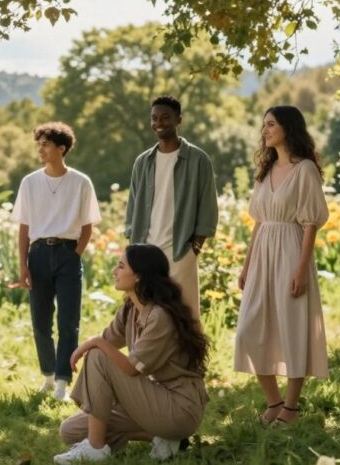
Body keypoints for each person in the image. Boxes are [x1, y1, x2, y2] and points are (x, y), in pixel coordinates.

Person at [54, 245, 209, 464]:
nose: (114, 272)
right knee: (69, 431)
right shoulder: (131, 309)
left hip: (179, 409)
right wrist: (93, 345)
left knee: (98, 354)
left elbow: (128, 367)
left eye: (120, 266)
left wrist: (93, 343)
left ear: (138, 276)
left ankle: (96, 448)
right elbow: (109, 340)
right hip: (153, 401)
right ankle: (161, 438)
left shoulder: (160, 317)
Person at [233, 106, 329, 425]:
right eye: (264, 125)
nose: (265, 130)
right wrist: (247, 266)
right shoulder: (266, 170)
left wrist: (301, 268)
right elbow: (259, 222)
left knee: (292, 325)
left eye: (271, 124)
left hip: (291, 249)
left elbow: (311, 223)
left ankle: (291, 408)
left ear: (288, 127)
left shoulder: (305, 170)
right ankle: (273, 402)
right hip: (262, 253)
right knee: (249, 327)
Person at [13, 122, 102, 401]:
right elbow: (24, 227)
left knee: (68, 321)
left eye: (46, 144)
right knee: (40, 321)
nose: (40, 149)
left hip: (67, 254)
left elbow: (88, 225)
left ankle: (63, 380)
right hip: (38, 254)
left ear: (61, 149)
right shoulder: (29, 182)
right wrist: (23, 265)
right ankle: (48, 376)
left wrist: (75, 254)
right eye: (38, 143)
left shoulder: (81, 182)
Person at [125, 96, 217, 319]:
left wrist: (194, 248)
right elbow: (133, 203)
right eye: (154, 118)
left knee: (184, 312)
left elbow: (207, 205)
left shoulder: (198, 160)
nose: (159, 122)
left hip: (179, 250)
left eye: (166, 117)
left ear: (179, 120)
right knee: (146, 312)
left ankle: (190, 355)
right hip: (146, 251)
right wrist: (132, 242)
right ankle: (146, 355)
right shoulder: (143, 161)